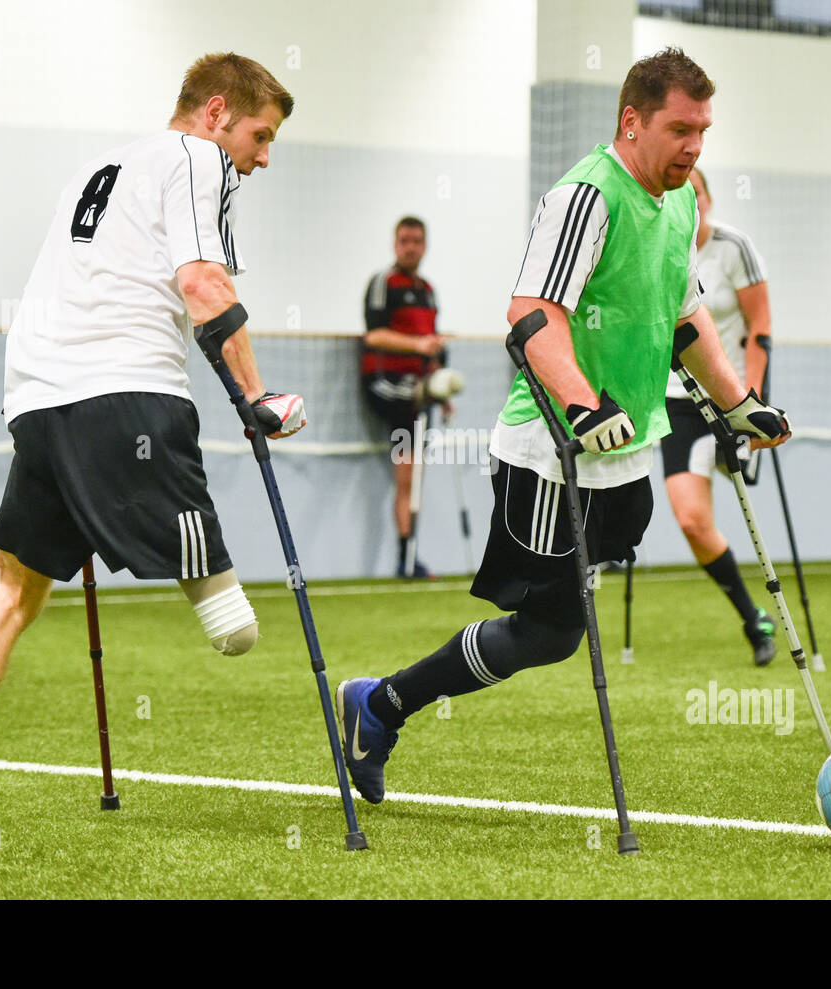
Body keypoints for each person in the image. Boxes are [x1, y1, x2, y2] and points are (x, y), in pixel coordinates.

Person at [334, 48, 792, 804]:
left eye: (704, 132)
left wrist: (739, 400)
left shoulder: (680, 204)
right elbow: (532, 311)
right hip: (552, 453)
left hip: (628, 454)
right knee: (549, 631)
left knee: (552, 632)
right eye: (681, 129)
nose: (694, 148)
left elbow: (685, 318)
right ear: (632, 120)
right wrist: (582, 401)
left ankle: (375, 706)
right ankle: (380, 707)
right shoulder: (586, 196)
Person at [0, 52, 303, 837]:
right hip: (129, 394)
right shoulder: (200, 159)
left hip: (37, 401)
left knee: (11, 595)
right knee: (235, 627)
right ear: (216, 113)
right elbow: (205, 284)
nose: (263, 156)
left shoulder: (102, 166)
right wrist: (256, 397)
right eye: (260, 134)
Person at [661, 165, 778, 665]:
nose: (692, 203)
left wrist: (750, 402)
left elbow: (761, 326)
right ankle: (753, 617)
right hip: (677, 403)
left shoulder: (734, 248)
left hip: (730, 401)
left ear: (706, 198)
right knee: (691, 521)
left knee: (732, 480)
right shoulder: (660, 248)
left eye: (698, 193)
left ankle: (739, 454)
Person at [360, 217, 448, 578]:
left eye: (416, 241)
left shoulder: (427, 289)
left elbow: (434, 345)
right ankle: (406, 558)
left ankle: (408, 556)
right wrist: (417, 346)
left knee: (411, 477)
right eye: (404, 240)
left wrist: (440, 389)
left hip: (418, 390)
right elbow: (374, 336)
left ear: (424, 245)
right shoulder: (384, 283)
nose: (410, 247)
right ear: (395, 244)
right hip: (388, 385)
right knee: (408, 476)